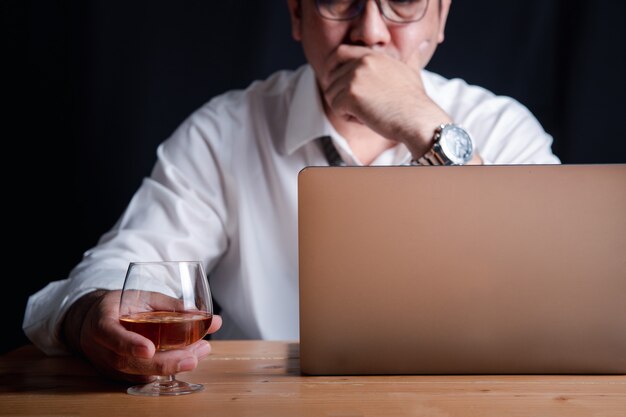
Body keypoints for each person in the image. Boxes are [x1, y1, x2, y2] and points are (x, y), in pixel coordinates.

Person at [23, 0, 560, 382]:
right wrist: (88, 315)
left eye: (402, 3)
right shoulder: (224, 130)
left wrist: (427, 128)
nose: (370, 31)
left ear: (440, 18)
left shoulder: (505, 127)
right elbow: (119, 271)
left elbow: (551, 290)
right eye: (336, 2)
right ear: (296, 16)